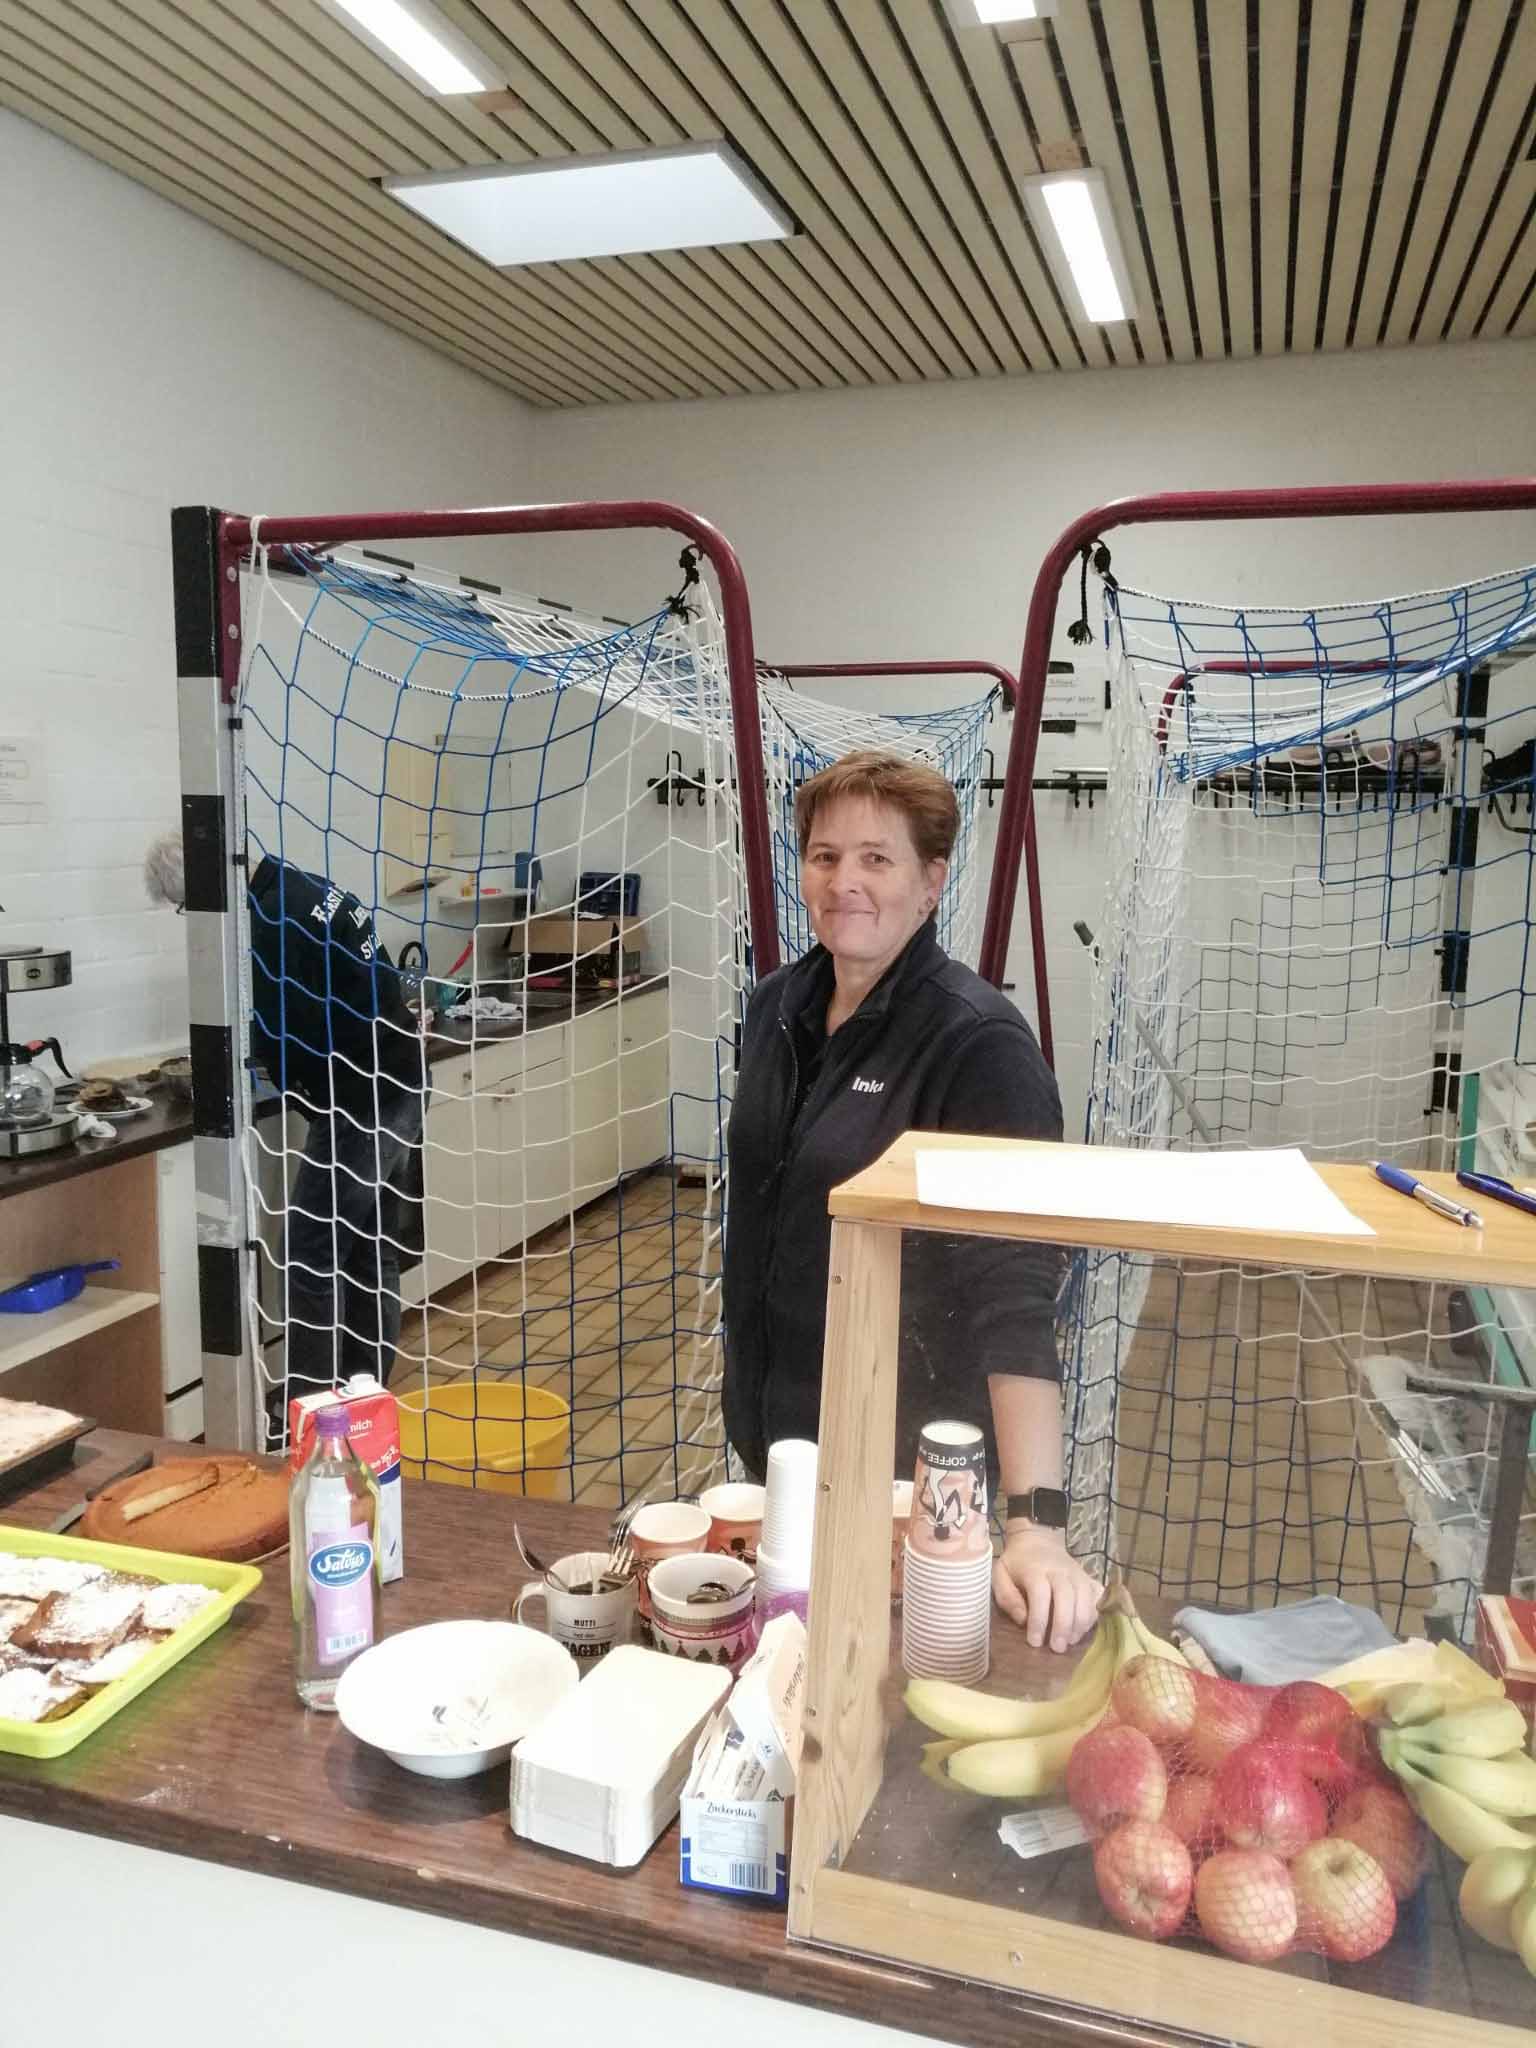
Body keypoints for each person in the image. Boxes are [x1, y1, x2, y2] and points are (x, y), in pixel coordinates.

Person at [722, 751, 1101, 1652]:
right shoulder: (776, 1008)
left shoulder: (979, 1047)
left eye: (876, 859)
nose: (844, 881)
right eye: (824, 856)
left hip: (907, 1479)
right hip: (781, 1450)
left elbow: (1017, 1299)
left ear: (931, 884)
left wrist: (1037, 1527)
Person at [248, 856, 428, 1419]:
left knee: (309, 1254)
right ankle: (363, 1395)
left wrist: (280, 1076)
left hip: (361, 1100)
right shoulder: (303, 884)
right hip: (401, 1074)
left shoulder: (270, 919)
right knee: (370, 1250)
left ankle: (309, 1407)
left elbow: (282, 1028)